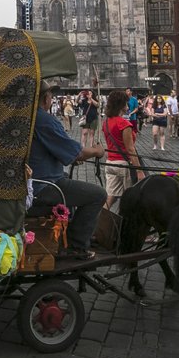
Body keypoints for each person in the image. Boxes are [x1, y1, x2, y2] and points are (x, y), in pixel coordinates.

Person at [29, 82, 106, 259]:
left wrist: (69, 157)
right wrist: (97, 151)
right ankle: (76, 245)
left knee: (70, 185)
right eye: (51, 96)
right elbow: (77, 152)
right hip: (44, 186)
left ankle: (69, 232)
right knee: (98, 194)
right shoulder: (44, 120)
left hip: (35, 182)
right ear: (46, 98)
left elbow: (51, 150)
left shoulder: (29, 117)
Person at [101, 90, 144, 210]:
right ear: (121, 105)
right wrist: (139, 171)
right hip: (124, 165)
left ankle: (101, 222)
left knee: (111, 198)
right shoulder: (124, 124)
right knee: (130, 199)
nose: (128, 105)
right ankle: (125, 224)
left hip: (110, 163)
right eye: (126, 103)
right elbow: (130, 149)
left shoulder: (106, 123)